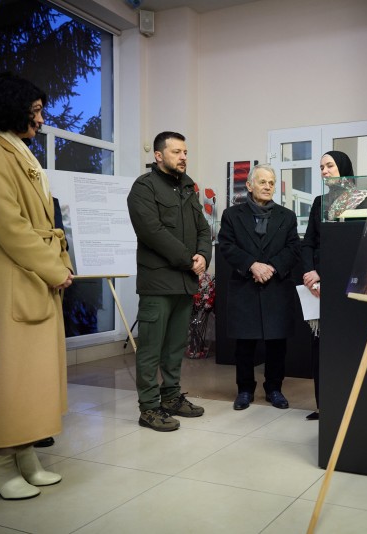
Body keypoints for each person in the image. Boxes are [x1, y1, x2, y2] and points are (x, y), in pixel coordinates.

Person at [0, 71, 74, 500]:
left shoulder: (16, 151)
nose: (41, 119)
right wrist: (52, 267)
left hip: (28, 272)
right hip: (5, 272)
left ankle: (24, 452)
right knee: (7, 371)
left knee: (32, 373)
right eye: (35, 111)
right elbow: (8, 226)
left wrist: (54, 264)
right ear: (10, 109)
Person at [127, 131, 211, 432]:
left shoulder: (188, 188)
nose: (183, 157)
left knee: (175, 347)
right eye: (176, 152)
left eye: (185, 152)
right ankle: (149, 408)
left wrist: (203, 255)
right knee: (151, 349)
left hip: (185, 283)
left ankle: (172, 397)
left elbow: (203, 228)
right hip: (158, 284)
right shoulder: (144, 188)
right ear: (159, 156)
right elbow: (152, 232)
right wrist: (190, 259)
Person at [217, 164, 300, 410]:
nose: (267, 186)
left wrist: (271, 267)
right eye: (262, 182)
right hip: (245, 286)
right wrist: (252, 265)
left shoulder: (287, 216)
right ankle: (244, 390)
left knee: (276, 345)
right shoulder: (232, 215)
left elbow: (293, 247)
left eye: (271, 183)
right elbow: (227, 245)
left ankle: (274, 389)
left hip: (276, 286)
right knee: (244, 344)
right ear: (250, 186)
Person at [300, 151, 367, 420]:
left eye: (329, 166)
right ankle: (323, 405)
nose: (324, 171)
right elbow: (308, 243)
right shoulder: (319, 202)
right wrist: (309, 271)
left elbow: (359, 245)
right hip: (318, 285)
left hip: (346, 283)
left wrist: (326, 272)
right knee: (321, 346)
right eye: (321, 167)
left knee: (346, 345)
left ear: (343, 168)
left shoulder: (363, 199)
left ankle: (348, 404)